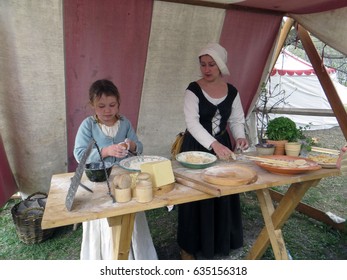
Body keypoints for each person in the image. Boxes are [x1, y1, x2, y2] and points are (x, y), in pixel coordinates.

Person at [177, 43, 249, 260]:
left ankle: (221, 240)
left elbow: (236, 119)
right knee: (197, 194)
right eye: (203, 65)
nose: (206, 69)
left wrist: (240, 136)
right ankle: (192, 243)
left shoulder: (233, 91)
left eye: (211, 65)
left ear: (220, 66)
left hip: (223, 147)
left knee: (223, 188)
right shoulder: (193, 89)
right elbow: (192, 123)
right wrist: (214, 145)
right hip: (197, 148)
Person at [73, 79, 158, 260]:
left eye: (112, 105)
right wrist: (105, 151)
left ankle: (134, 256)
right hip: (99, 182)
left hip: (125, 180)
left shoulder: (124, 123)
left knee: (130, 216)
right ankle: (106, 257)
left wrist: (131, 144)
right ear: (92, 105)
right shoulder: (88, 125)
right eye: (101, 106)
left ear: (118, 103)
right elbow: (79, 154)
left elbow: (139, 147)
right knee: (104, 221)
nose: (107, 110)